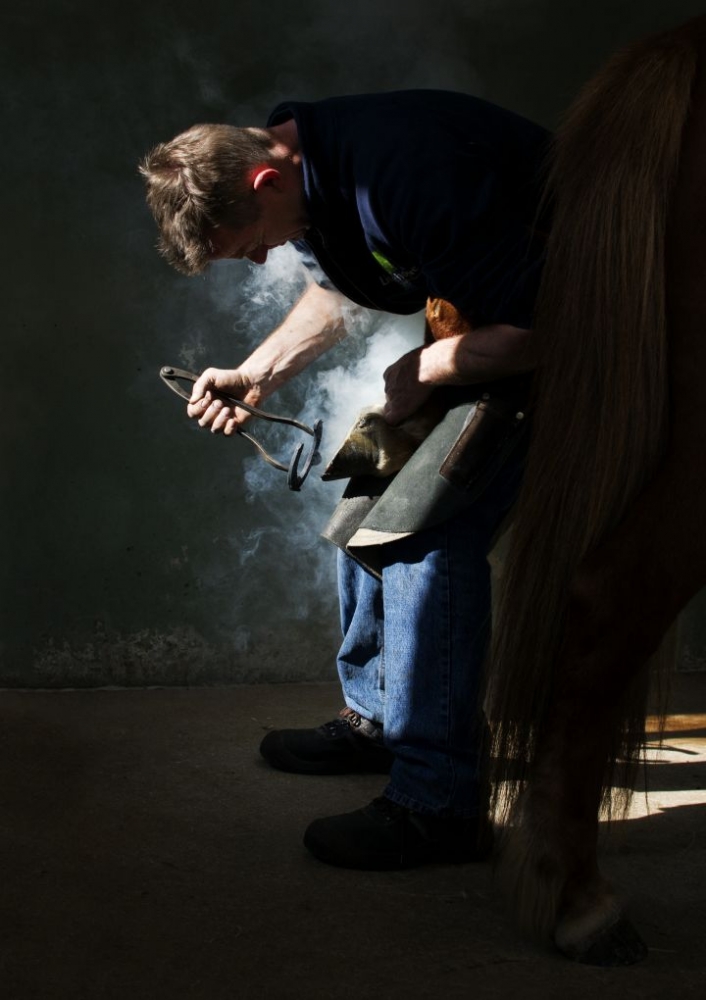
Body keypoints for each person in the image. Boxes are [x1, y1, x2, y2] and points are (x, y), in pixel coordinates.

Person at [140, 91, 550, 872]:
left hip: (575, 336)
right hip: (478, 337)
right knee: (358, 501)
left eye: (252, 246)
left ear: (265, 181)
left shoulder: (405, 166)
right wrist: (256, 373)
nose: (262, 260)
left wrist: (425, 367)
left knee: (423, 537)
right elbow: (338, 290)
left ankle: (440, 802)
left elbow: (547, 323)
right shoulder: (311, 184)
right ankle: (378, 720)